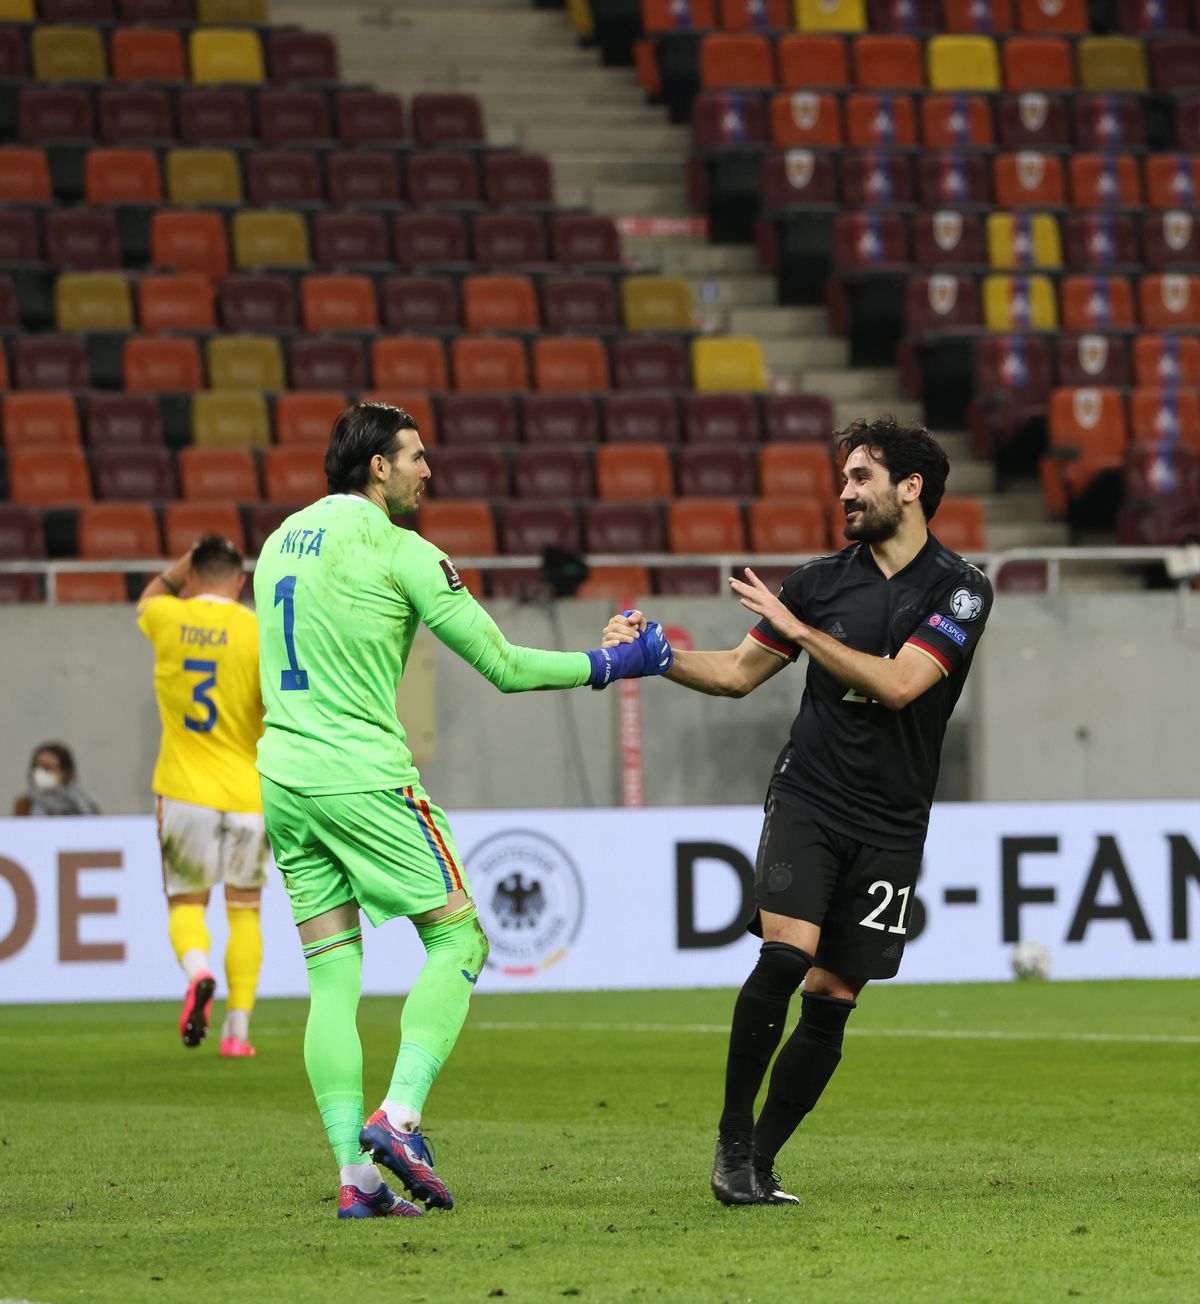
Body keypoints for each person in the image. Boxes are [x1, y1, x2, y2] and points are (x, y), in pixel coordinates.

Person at [253, 400, 672, 1220]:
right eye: (415, 456)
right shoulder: (401, 550)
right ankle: (400, 1117)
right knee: (460, 934)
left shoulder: (277, 543)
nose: (427, 470)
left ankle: (358, 1181)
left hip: (284, 778)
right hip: (364, 777)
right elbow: (506, 666)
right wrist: (615, 662)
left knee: (331, 977)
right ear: (377, 466)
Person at [603, 417, 994, 1207]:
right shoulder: (818, 582)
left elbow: (901, 684)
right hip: (810, 794)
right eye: (843, 478)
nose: (844, 491)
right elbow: (739, 674)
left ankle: (762, 1164)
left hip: (893, 820)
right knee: (785, 956)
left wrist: (800, 632)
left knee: (834, 996)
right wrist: (656, 655)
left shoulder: (960, 588)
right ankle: (732, 1140)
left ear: (910, 488)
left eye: (861, 477)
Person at [136, 535, 268, 1059]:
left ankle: (199, 972)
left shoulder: (169, 618)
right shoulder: (257, 631)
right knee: (246, 912)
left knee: (187, 903)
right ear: (240, 582)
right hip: (249, 793)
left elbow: (148, 598)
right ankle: (237, 1034)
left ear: (193, 576)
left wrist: (180, 566)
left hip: (184, 789)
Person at [12, 742, 100, 817]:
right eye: (37, 766)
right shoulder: (25, 804)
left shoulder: (86, 804)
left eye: (47, 767)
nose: (40, 772)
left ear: (65, 772)